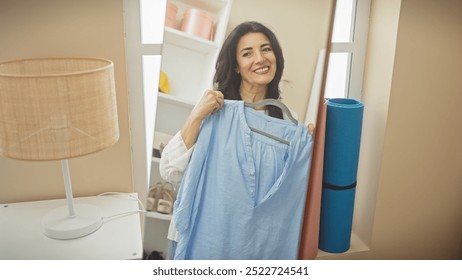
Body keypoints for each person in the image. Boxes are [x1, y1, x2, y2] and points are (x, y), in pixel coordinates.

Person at [159, 21, 314, 259]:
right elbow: (169, 170)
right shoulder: (213, 109)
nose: (260, 58)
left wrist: (308, 149)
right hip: (201, 237)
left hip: (254, 247)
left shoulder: (288, 121)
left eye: (266, 49)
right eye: (247, 53)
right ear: (237, 67)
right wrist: (196, 115)